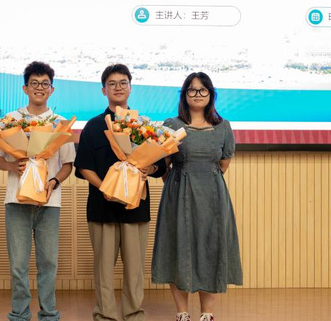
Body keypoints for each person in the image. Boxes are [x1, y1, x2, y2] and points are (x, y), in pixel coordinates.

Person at [74, 64, 166, 321]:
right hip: (102, 207)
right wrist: (106, 187)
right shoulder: (93, 126)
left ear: (130, 87)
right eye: (112, 83)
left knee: (135, 270)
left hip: (136, 208)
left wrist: (150, 167)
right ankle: (105, 315)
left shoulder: (144, 126)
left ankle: (133, 314)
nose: (118, 87)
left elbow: (160, 166)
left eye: (123, 82)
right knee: (103, 269)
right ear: (103, 90)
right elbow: (83, 166)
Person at [151, 72, 242, 321]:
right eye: (192, 90)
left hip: (213, 197)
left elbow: (223, 164)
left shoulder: (223, 127)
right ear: (184, 95)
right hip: (178, 194)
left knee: (210, 248)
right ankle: (182, 313)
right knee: (177, 247)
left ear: (211, 94)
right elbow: (164, 165)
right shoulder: (171, 125)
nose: (197, 94)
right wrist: (180, 183)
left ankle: (207, 314)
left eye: (203, 90)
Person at [0, 61, 75, 321]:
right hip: (16, 201)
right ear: (25, 88)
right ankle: (19, 314)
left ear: (52, 89)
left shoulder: (60, 124)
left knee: (48, 263)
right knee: (18, 264)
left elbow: (67, 165)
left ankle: (49, 314)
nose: (40, 88)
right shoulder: (10, 121)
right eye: (34, 83)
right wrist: (12, 166)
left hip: (49, 202)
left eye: (45, 83)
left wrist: (53, 182)